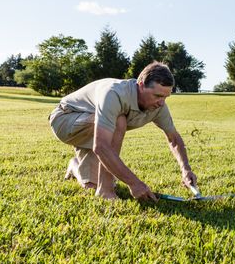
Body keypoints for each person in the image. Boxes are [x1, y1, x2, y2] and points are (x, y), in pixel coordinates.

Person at [48, 61, 197, 201]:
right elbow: (101, 146)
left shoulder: (159, 107)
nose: (161, 102)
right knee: (120, 120)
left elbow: (174, 139)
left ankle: (74, 166)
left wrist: (186, 169)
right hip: (65, 119)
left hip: (96, 128)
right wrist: (134, 183)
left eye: (166, 97)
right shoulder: (115, 94)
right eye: (157, 95)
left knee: (89, 186)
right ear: (141, 85)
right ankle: (105, 191)